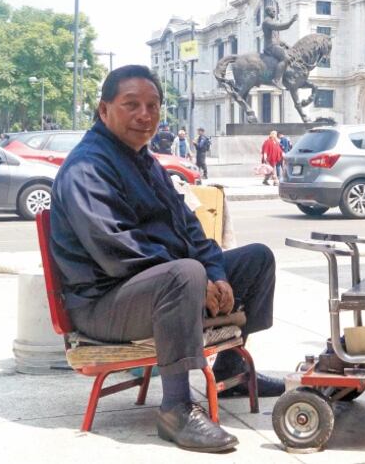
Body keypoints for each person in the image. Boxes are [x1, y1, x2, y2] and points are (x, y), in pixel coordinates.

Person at [49, 65, 283, 453]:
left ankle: (231, 366)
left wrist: (216, 273)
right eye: (131, 105)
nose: (145, 115)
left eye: (153, 105)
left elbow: (189, 228)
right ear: (104, 110)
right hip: (102, 303)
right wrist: (197, 279)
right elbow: (117, 250)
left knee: (256, 258)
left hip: (155, 286)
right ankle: (176, 408)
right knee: (183, 274)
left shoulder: (145, 161)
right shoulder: (87, 167)